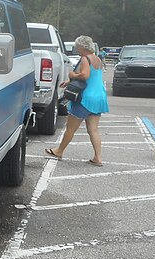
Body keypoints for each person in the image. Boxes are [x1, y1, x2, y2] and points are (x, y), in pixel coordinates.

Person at [46, 35, 109, 165]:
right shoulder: (97, 59)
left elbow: (85, 75)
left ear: (82, 47)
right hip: (98, 97)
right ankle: (98, 157)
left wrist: (71, 75)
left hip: (85, 98)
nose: (76, 49)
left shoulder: (85, 59)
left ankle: (59, 151)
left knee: (70, 128)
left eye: (77, 46)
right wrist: (70, 81)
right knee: (93, 130)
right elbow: (91, 75)